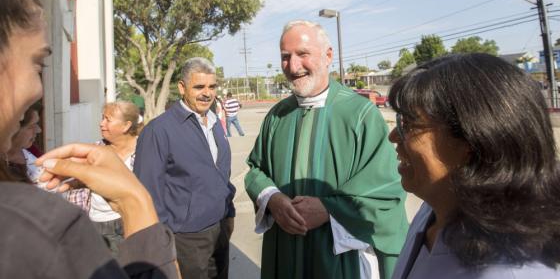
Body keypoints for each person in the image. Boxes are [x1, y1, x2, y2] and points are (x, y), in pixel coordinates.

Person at [0, 0, 178, 278]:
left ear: (128, 125)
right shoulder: (44, 230)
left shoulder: (147, 147)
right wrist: (136, 202)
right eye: (37, 64)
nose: (39, 88)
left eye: (110, 119)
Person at [245, 20, 408, 279]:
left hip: (340, 260)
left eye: (303, 54)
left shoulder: (361, 115)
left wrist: (329, 210)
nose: (293, 66)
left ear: (328, 55)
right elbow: (256, 170)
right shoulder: (277, 115)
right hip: (285, 250)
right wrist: (272, 199)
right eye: (285, 57)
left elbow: (386, 190)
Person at [388, 53, 560, 279]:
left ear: (474, 140)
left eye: (408, 125)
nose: (393, 137)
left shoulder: (509, 272)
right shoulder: (434, 211)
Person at [134, 57, 236, 279]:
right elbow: (147, 194)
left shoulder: (214, 122)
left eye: (212, 86)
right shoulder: (158, 131)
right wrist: (163, 250)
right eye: (199, 86)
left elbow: (222, 175)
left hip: (219, 230)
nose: (207, 93)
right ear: (182, 87)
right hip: (185, 239)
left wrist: (229, 213)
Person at [67, 101, 142, 255]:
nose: (101, 124)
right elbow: (76, 190)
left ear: (126, 125)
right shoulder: (93, 151)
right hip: (96, 224)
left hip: (132, 223)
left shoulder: (145, 151)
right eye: (102, 118)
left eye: (108, 119)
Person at [5, 103, 42, 183]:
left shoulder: (31, 149)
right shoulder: (4, 168)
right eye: (31, 126)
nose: (38, 130)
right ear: (13, 130)